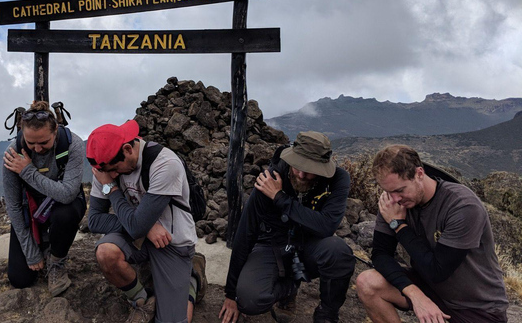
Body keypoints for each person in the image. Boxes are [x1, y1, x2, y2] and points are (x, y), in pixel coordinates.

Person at [356, 145, 509, 323]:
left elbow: (437, 271)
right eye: (389, 191)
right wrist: (415, 295)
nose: (395, 199)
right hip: (430, 290)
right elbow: (381, 255)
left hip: (477, 308)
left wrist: (398, 225)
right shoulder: (393, 203)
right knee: (367, 282)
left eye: (400, 190)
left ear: (419, 174)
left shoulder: (462, 206)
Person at [219, 131, 354, 323]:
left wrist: (280, 198)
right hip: (270, 245)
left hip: (310, 246)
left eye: (309, 170)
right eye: (297, 166)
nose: (301, 174)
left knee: (338, 251)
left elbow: (326, 226)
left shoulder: (338, 179)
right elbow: (245, 234)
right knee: (249, 300)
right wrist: (231, 294)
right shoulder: (269, 179)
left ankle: (327, 314)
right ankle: (288, 288)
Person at [87, 120, 207, 323]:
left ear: (127, 149)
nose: (113, 175)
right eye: (109, 172)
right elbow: (95, 220)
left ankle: (192, 281)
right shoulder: (105, 167)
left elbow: (136, 226)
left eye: (116, 169)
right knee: (106, 252)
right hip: (142, 237)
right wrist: (145, 225)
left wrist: (112, 190)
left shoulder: (164, 164)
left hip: (171, 240)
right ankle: (142, 300)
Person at [2, 101, 86, 296]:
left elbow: (67, 194)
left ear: (55, 130)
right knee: (20, 279)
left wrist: (28, 172)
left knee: (66, 213)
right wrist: (30, 252)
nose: (37, 149)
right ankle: (43, 245)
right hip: (31, 210)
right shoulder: (12, 153)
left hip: (62, 206)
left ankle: (56, 261)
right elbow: (14, 205)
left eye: (44, 143)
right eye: (31, 143)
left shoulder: (73, 144)